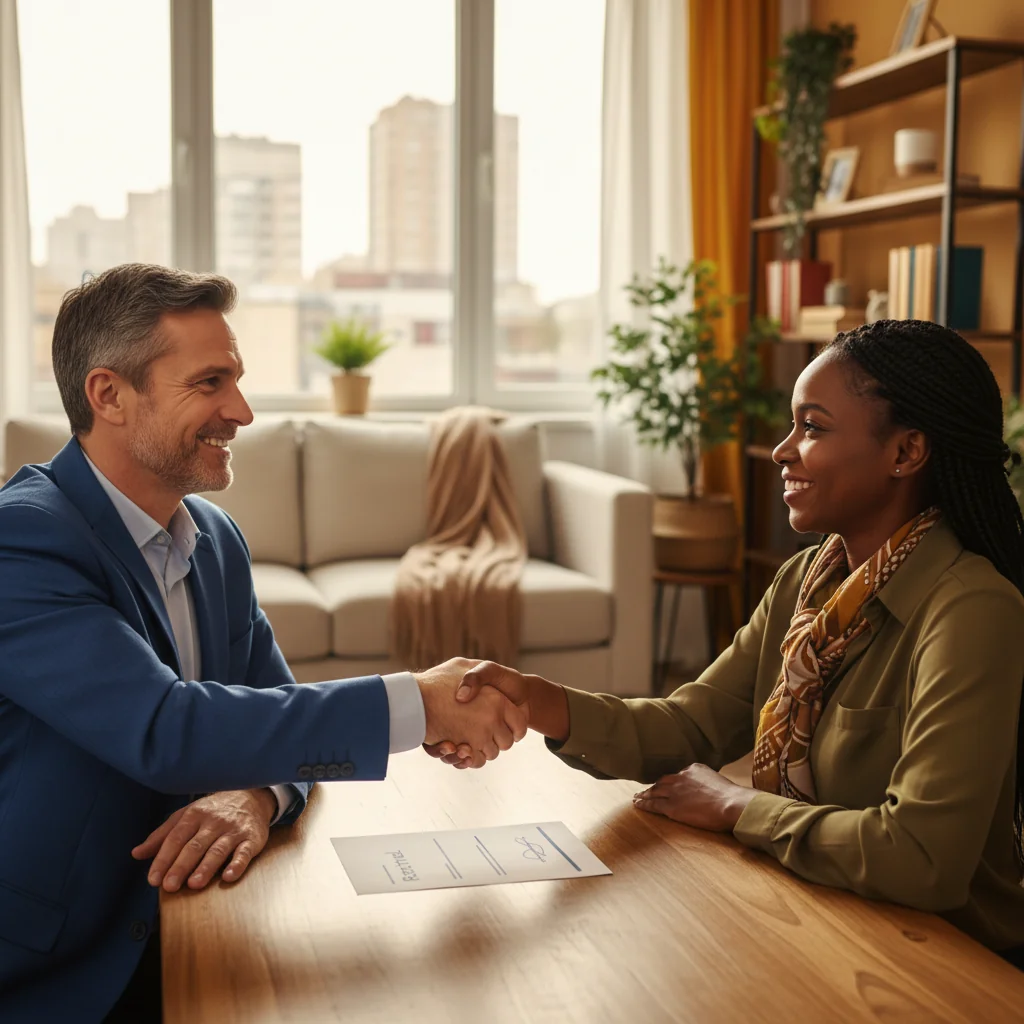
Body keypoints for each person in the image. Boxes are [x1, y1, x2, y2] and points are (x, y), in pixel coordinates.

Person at [0, 264, 524, 1023]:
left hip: (196, 924)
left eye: (237, 379)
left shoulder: (214, 539)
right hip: (54, 967)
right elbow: (165, 728)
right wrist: (421, 703)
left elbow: (274, 712)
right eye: (209, 383)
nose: (241, 410)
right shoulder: (25, 541)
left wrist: (255, 792)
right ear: (108, 395)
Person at [437, 320, 1024, 966]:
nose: (782, 450)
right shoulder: (805, 583)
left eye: (814, 427)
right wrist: (535, 700)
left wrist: (737, 805)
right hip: (824, 917)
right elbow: (691, 726)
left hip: (949, 964)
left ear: (906, 452)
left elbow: (922, 857)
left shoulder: (972, 609)